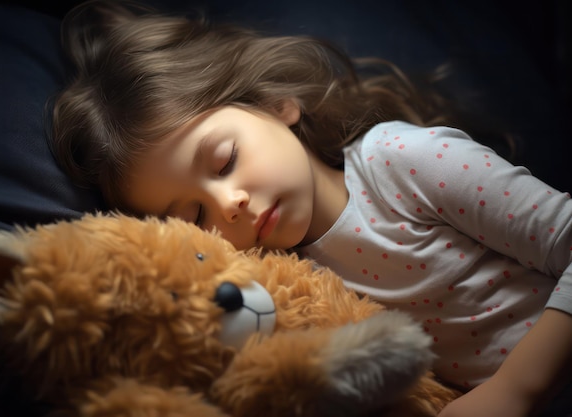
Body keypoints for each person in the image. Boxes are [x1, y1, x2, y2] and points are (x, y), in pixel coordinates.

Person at [50, 1, 572, 415]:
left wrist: (516, 389)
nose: (228, 205)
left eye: (225, 159)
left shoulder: (402, 161)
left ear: (276, 103)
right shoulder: (275, 281)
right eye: (195, 217)